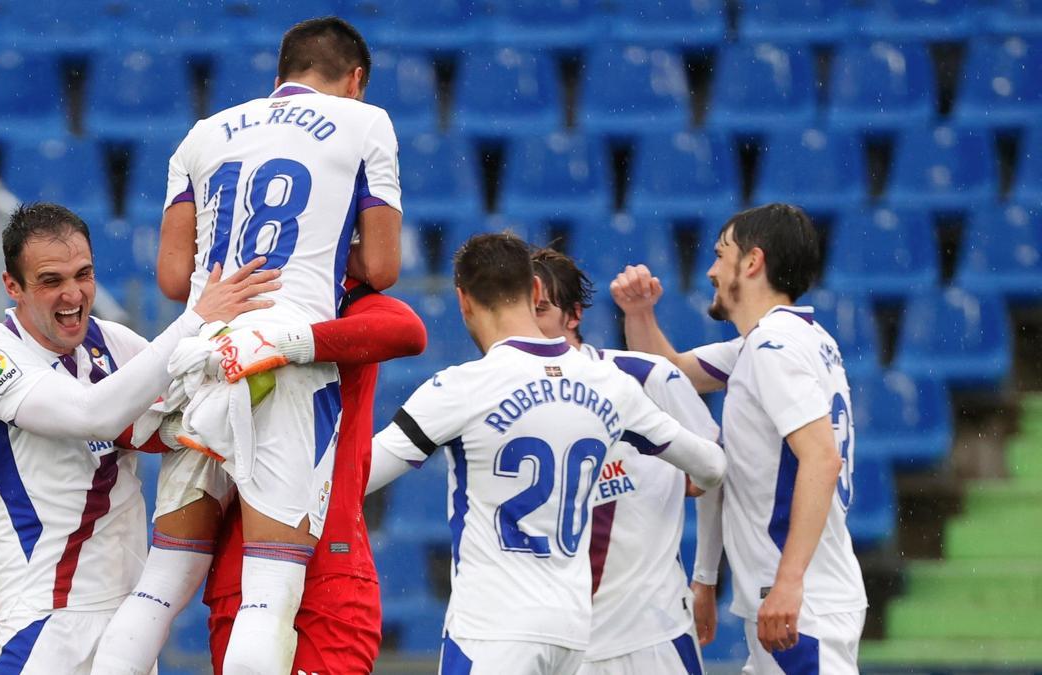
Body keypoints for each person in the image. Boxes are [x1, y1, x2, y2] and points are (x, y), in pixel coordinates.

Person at [93, 16, 401, 675]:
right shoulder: (367, 121)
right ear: (356, 79)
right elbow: (382, 266)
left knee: (163, 581)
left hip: (201, 352)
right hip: (280, 359)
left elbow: (176, 277)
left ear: (278, 76)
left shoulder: (203, 134)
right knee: (270, 590)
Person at [365, 233, 727, 674]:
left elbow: (359, 476)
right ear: (534, 289)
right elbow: (712, 465)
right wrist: (692, 481)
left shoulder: (462, 387)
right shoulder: (611, 385)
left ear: (462, 300)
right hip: (571, 633)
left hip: (494, 629)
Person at [0, 202, 278, 675]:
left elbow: (191, 408)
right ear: (13, 286)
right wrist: (194, 321)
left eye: (83, 274)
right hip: (45, 620)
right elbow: (97, 414)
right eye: (51, 281)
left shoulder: (113, 342)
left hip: (128, 622)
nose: (73, 294)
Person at [610, 204, 867, 673]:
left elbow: (821, 459)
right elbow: (672, 372)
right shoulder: (786, 340)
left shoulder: (773, 348)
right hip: (799, 599)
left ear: (751, 263)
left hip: (797, 604)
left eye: (720, 254)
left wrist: (788, 583)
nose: (710, 270)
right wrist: (639, 313)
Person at [204, 280, 427, 675]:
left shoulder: (345, 302)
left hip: (306, 565)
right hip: (299, 562)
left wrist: (277, 344)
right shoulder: (225, 304)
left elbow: (407, 332)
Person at [531, 247, 719, 675]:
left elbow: (712, 473)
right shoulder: (502, 399)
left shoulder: (649, 377)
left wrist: (705, 576)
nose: (530, 327)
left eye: (541, 310)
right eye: (522, 314)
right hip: (561, 648)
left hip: (653, 637)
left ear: (574, 316)